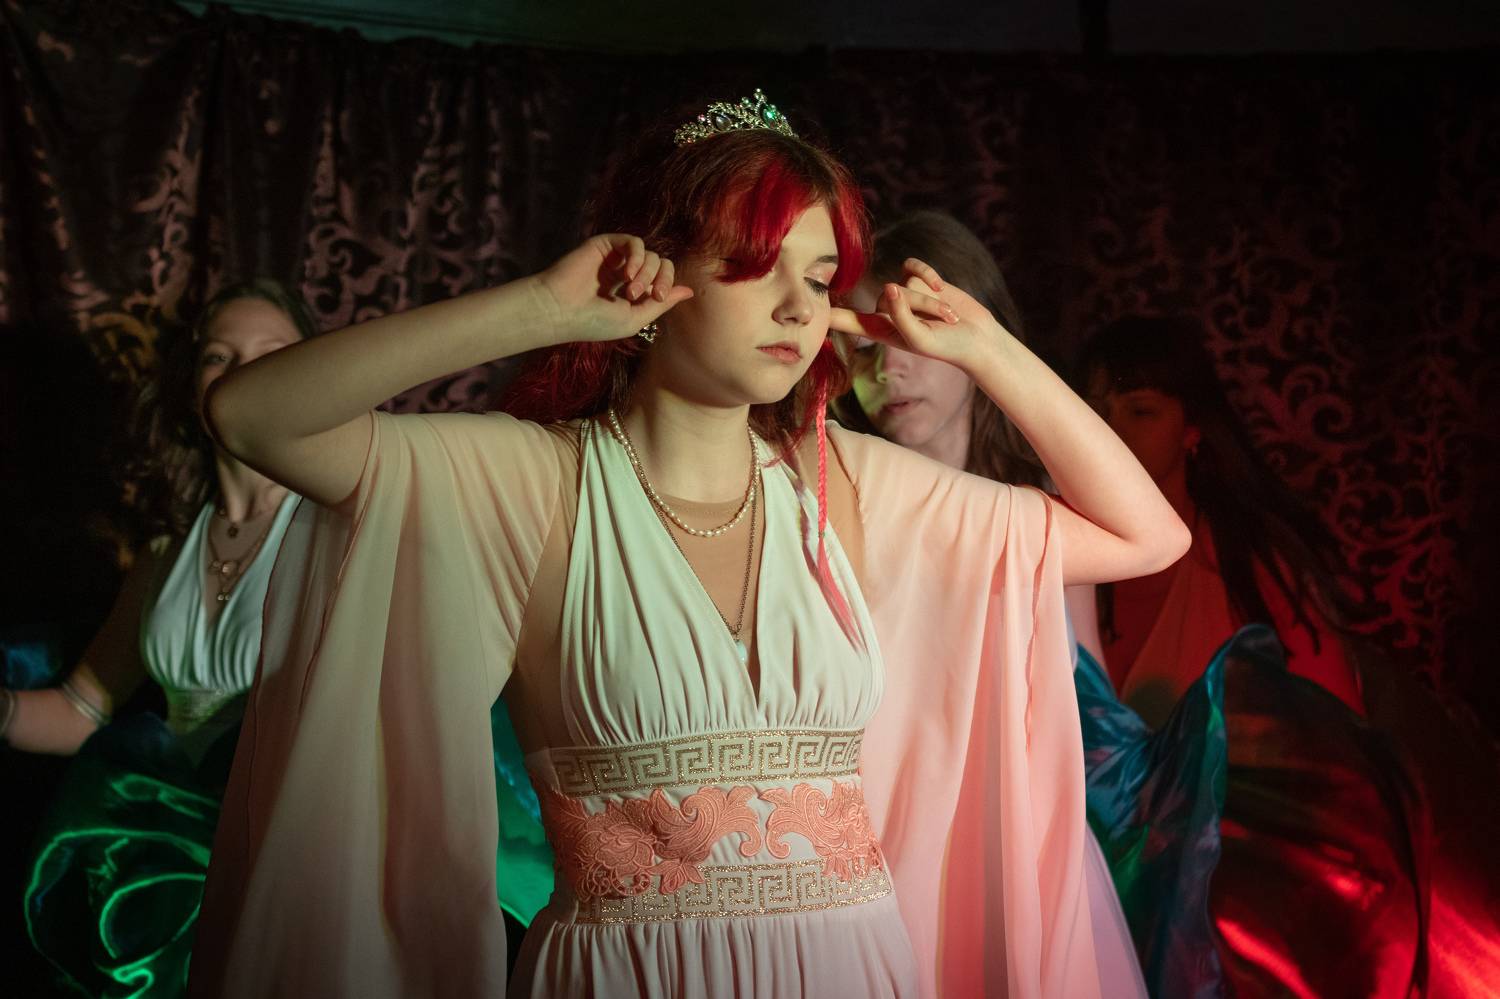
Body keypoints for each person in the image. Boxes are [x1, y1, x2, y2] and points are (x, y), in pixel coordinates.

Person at [189, 91, 1188, 998]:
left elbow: (1144, 534)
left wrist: (986, 347)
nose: (800, 308)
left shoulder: (844, 481)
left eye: (820, 277)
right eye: (756, 268)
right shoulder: (535, 481)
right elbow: (252, 417)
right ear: (655, 269)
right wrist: (538, 307)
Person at [835, 208, 1147, 998]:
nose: (886, 370)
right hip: (872, 835)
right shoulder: (839, 501)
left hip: (1013, 828)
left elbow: (1090, 693)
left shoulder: (1047, 516)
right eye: (863, 347)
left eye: (908, 339)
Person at [0, 280, 312, 997]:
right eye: (219, 356)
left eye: (272, 353)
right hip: (169, 852)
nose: (244, 373)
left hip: (289, 850)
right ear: (190, 387)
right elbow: (82, 709)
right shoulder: (165, 552)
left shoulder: (345, 527)